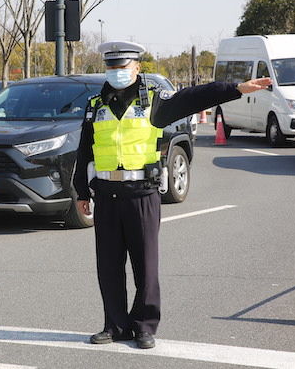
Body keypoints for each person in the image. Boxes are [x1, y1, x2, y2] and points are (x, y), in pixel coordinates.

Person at [73, 41, 271, 349]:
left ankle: (143, 326)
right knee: (108, 266)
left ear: (137, 68)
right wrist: (81, 190)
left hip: (142, 193)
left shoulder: (155, 100)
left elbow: (194, 97)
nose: (116, 73)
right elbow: (85, 149)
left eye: (122, 67)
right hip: (107, 195)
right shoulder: (95, 104)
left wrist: (236, 89)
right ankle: (114, 325)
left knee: (145, 265)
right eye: (111, 67)